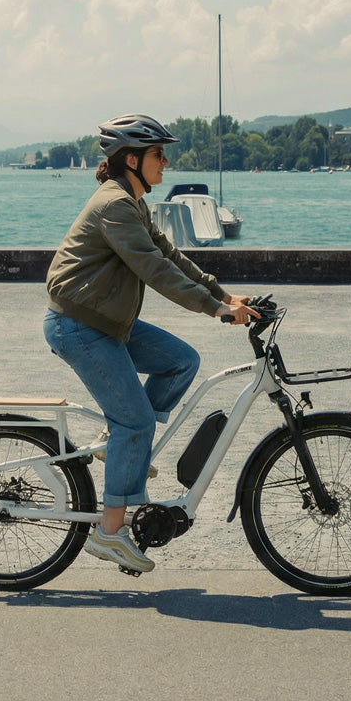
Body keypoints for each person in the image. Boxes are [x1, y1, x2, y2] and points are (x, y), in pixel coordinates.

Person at [44, 113, 260, 574]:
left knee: (181, 362)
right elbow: (154, 271)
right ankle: (109, 532)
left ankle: (116, 442)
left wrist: (222, 293)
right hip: (79, 326)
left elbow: (169, 254)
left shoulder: (133, 201)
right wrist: (213, 309)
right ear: (131, 159)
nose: (166, 162)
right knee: (137, 422)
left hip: (107, 321)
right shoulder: (114, 206)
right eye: (159, 154)